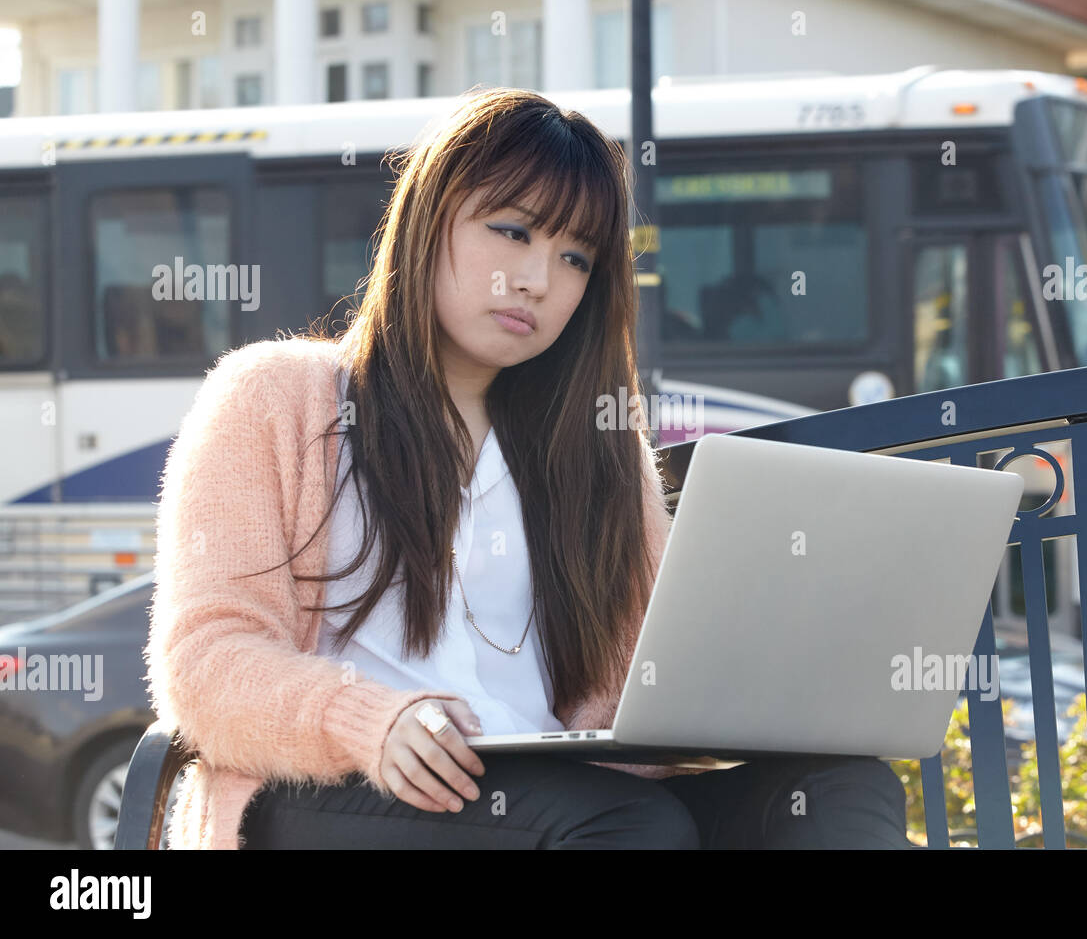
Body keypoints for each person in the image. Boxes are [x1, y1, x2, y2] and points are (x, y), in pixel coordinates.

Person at [146, 86, 911, 849]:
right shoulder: (274, 398)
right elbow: (205, 663)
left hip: (566, 792)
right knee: (626, 823)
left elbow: (645, 686)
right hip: (339, 785)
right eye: (512, 231)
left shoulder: (597, 448)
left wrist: (766, 675)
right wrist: (368, 719)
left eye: (574, 257)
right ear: (427, 219)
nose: (539, 279)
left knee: (844, 790)